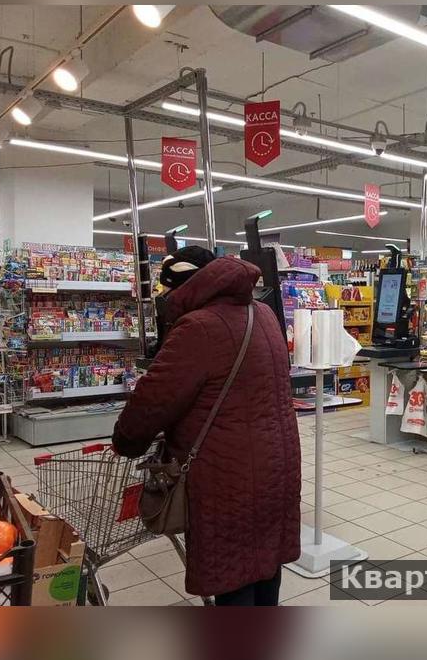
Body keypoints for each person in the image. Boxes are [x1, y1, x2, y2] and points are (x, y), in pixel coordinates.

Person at [112, 247, 301, 606]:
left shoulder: (198, 327)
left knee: (234, 575)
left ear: (185, 287)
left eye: (166, 289)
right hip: (278, 465)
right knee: (265, 565)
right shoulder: (263, 314)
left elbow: (153, 401)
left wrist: (126, 441)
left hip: (228, 474)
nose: (164, 298)